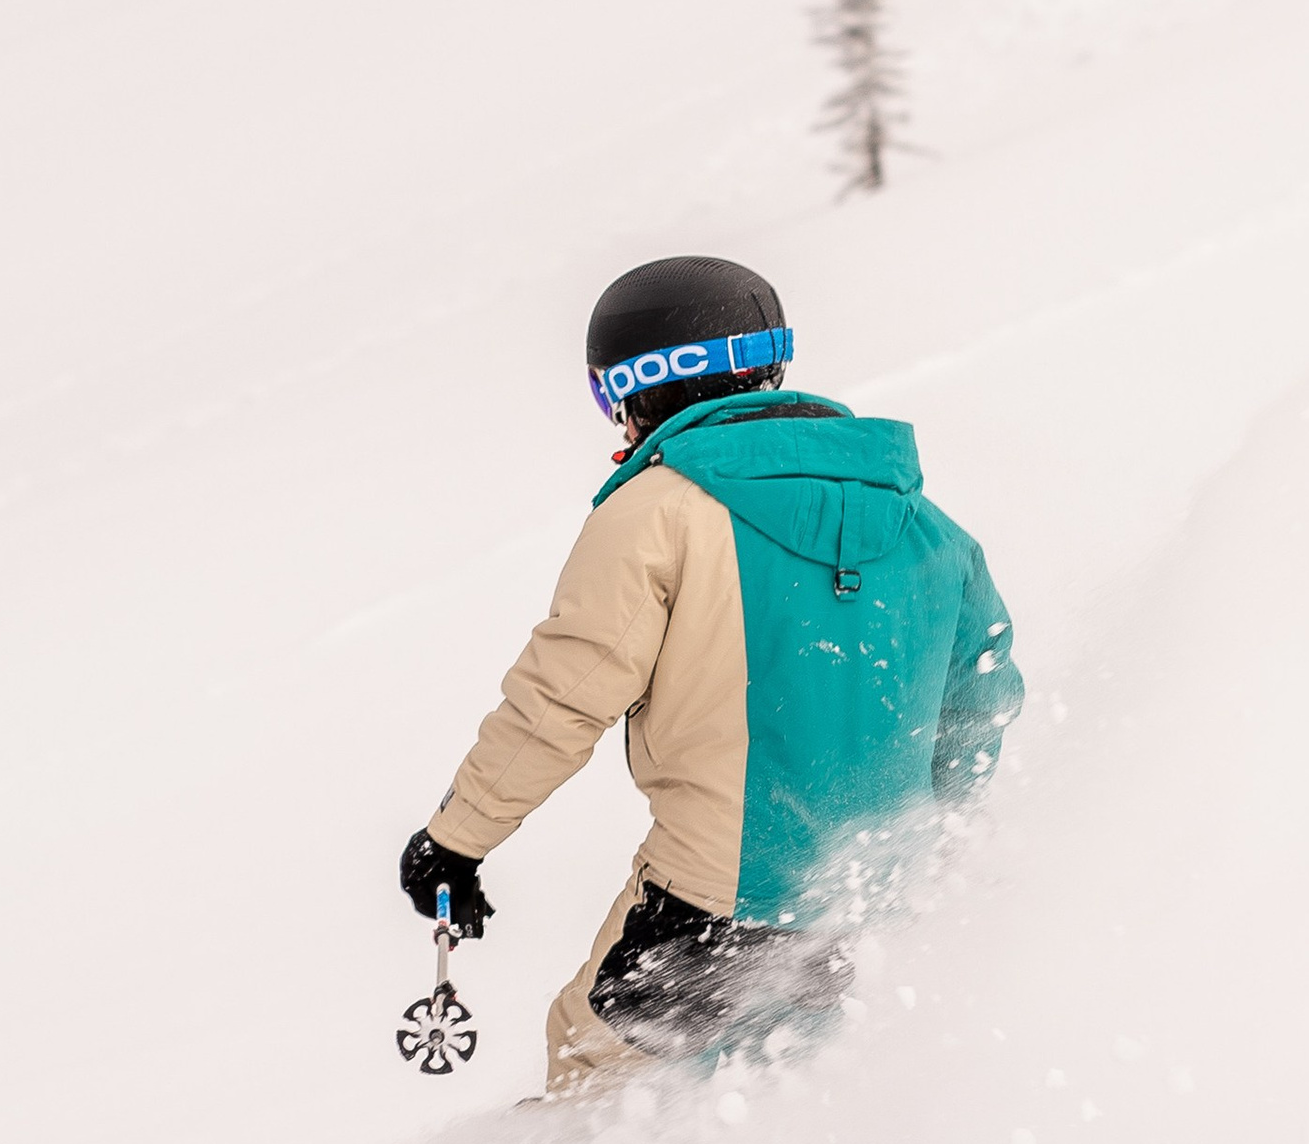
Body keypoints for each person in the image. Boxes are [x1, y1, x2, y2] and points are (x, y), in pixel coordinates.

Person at [400, 254, 1021, 1095]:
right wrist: (925, 854)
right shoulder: (932, 530)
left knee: (597, 1077)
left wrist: (455, 843)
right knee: (796, 1097)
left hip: (712, 911)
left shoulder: (657, 512)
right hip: (868, 915)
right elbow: (980, 709)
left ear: (639, 382)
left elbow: (560, 703)